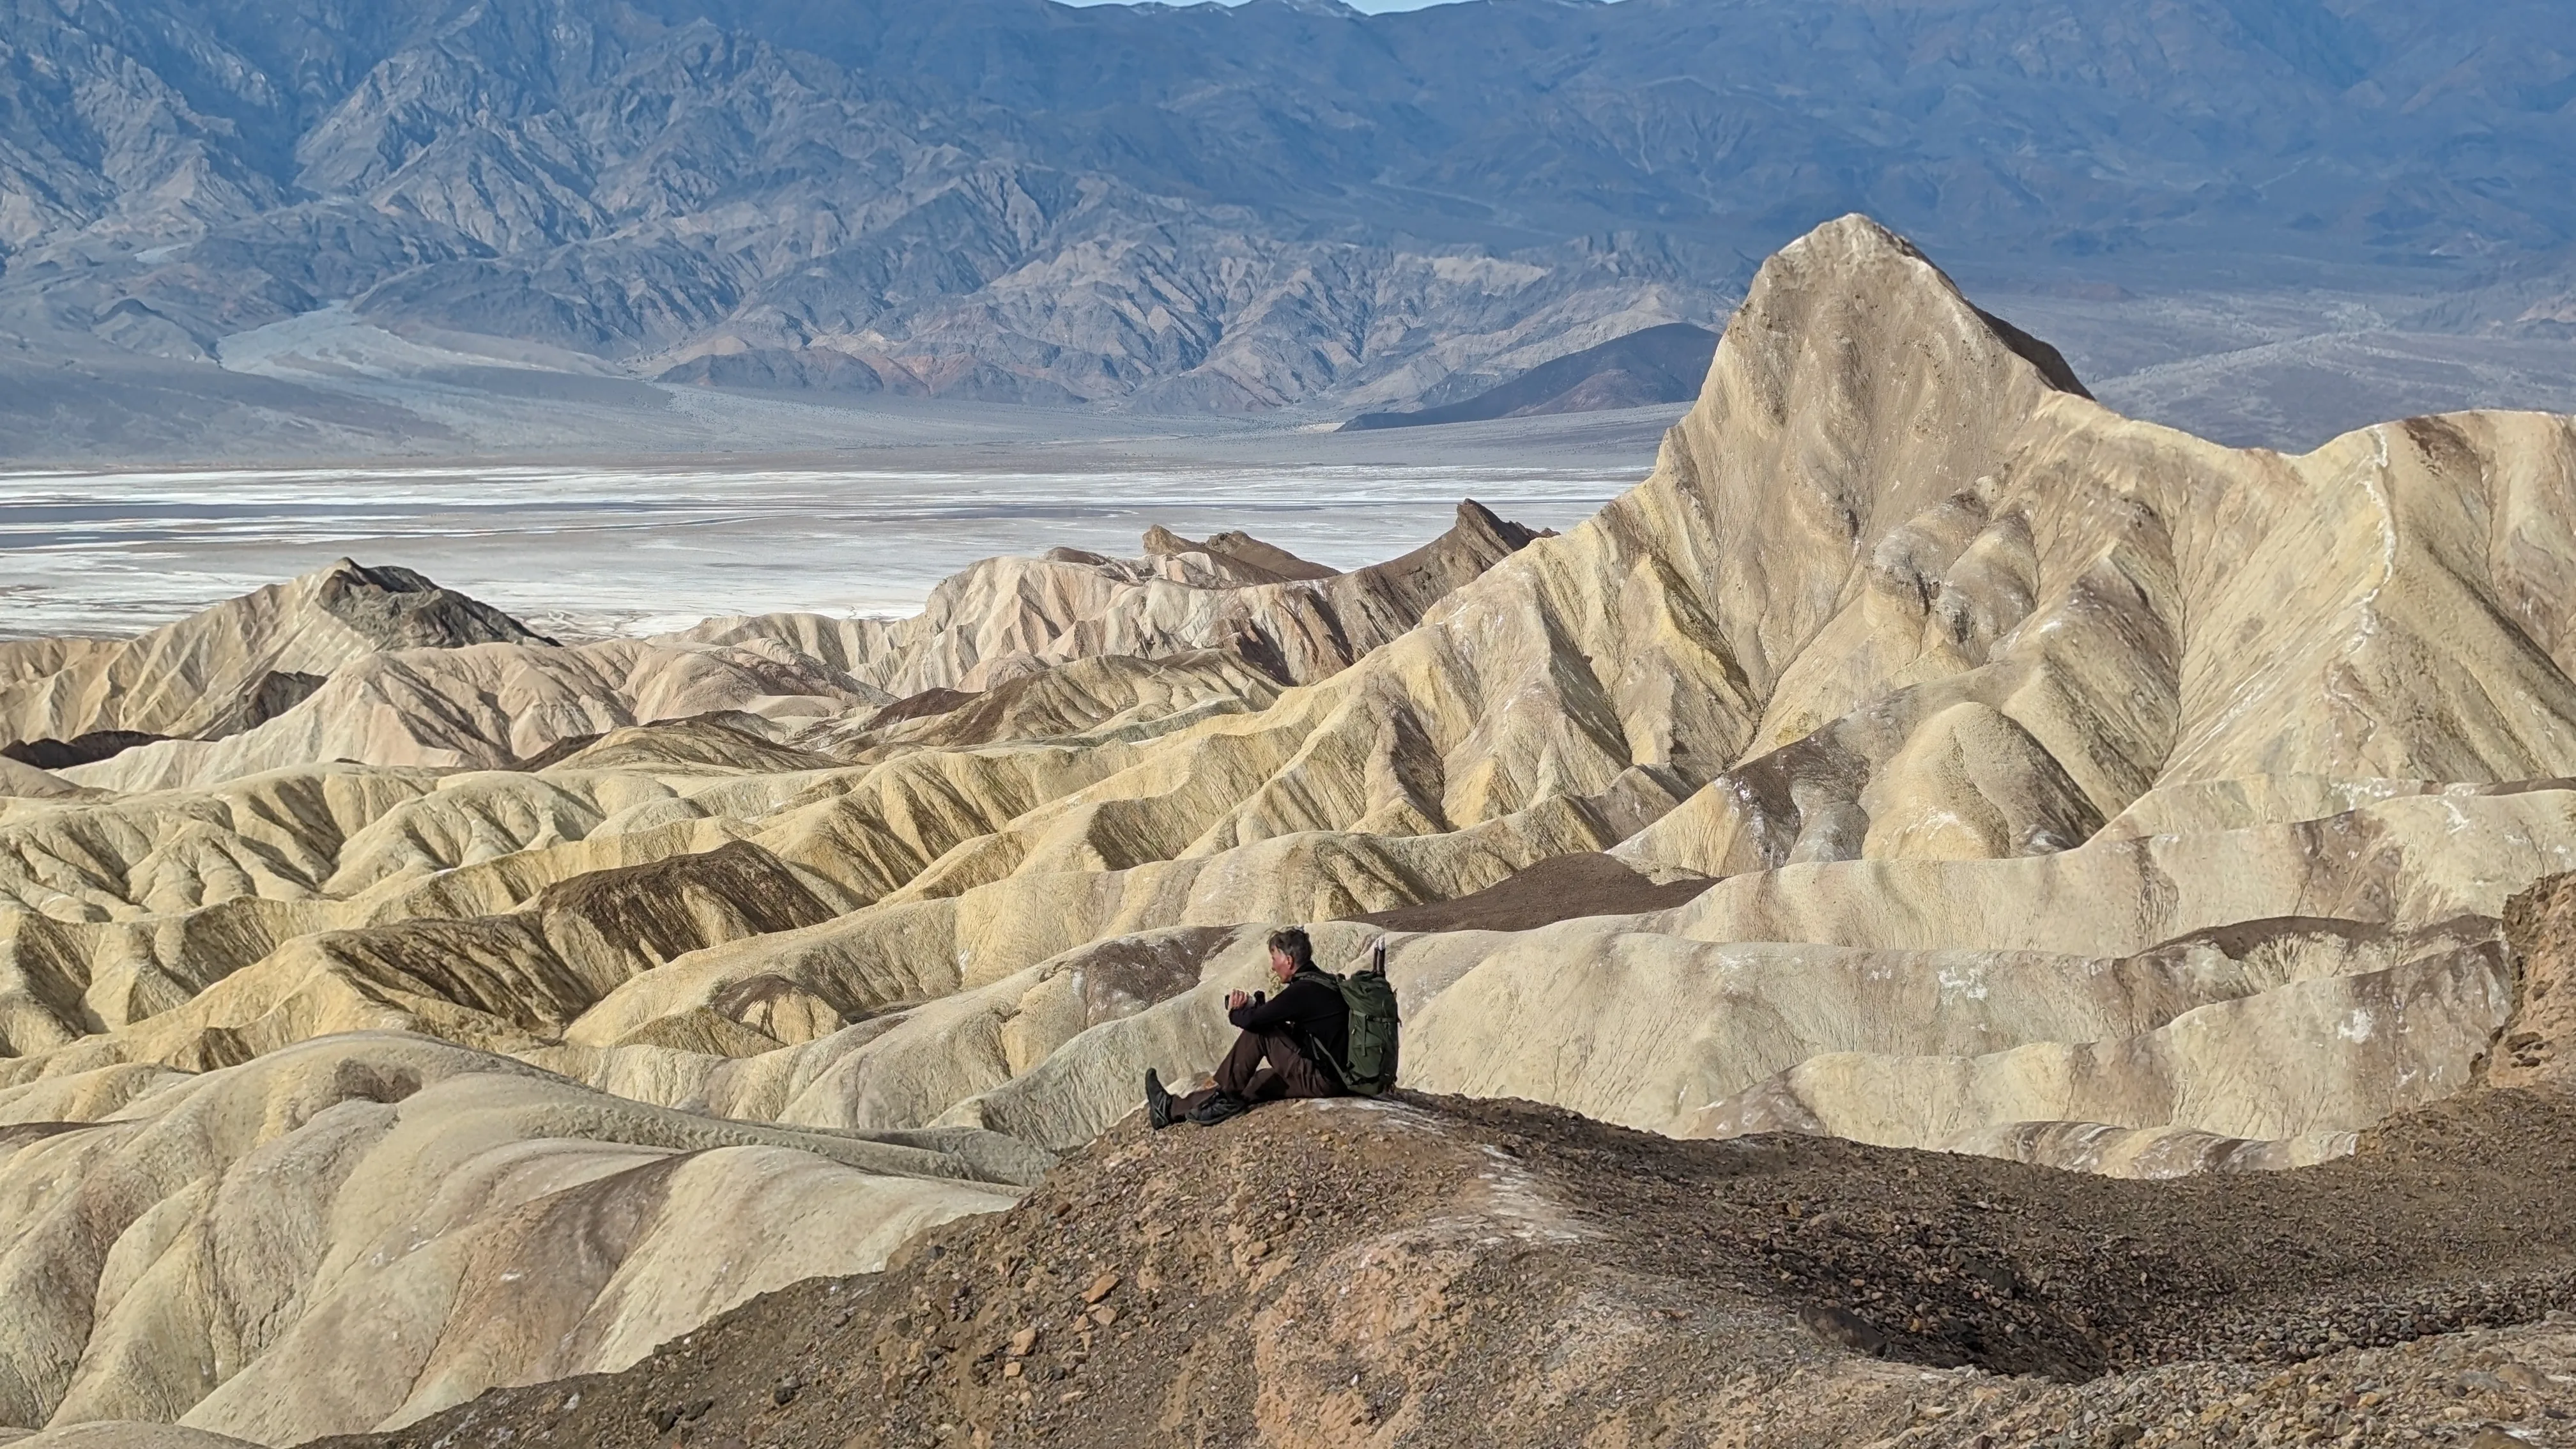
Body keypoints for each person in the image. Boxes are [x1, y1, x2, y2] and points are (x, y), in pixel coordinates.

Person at [1146, 926, 1352, 1127]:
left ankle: (1225, 1097)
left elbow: (1255, 1022)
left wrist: (1236, 1011)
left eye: (1274, 958)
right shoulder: (1326, 982)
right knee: (1255, 1081)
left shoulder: (1303, 991)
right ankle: (1169, 1108)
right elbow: (1291, 1026)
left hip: (1321, 1081)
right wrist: (1261, 1011)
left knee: (1259, 1034)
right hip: (1336, 1079)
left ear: (1288, 961)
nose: (1273, 966)